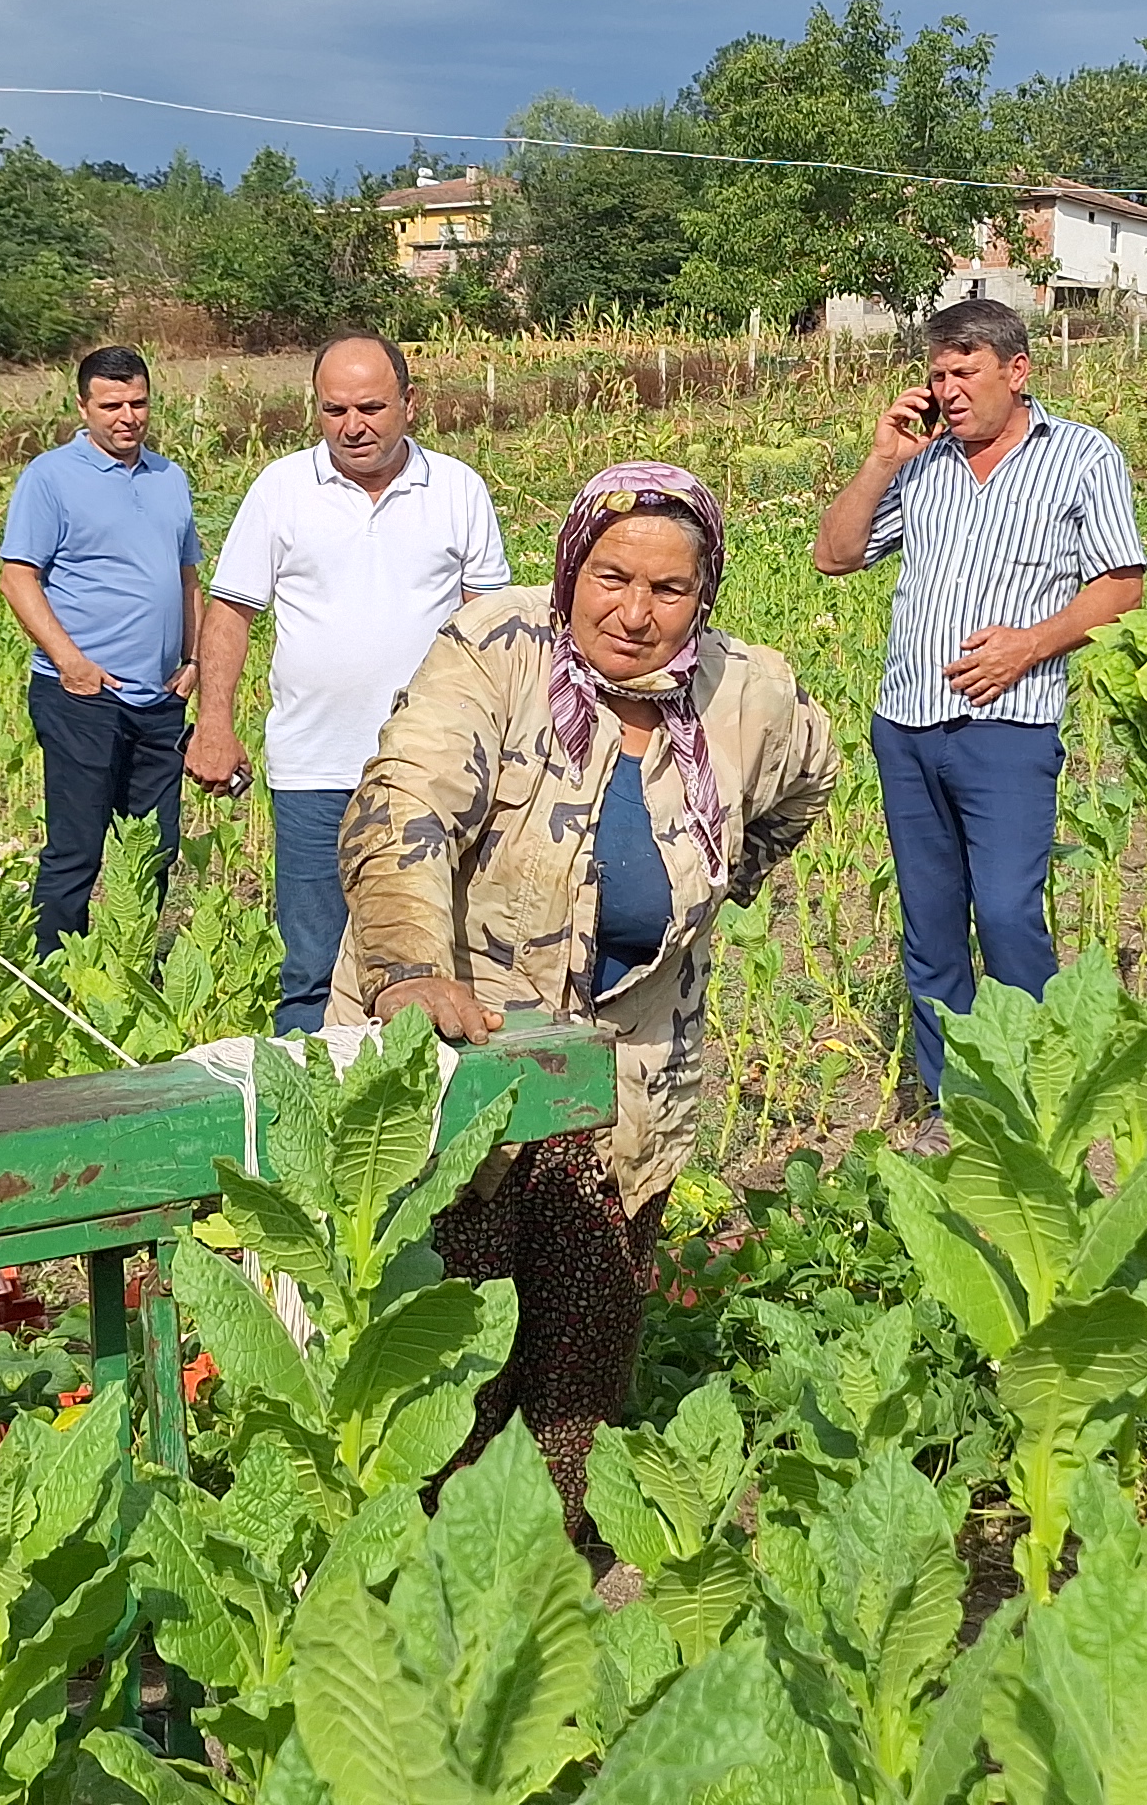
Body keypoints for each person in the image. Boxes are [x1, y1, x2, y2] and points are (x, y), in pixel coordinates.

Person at [337, 464, 839, 1529]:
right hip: (464, 1052)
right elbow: (405, 800)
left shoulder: (748, 692)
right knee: (446, 1349)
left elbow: (811, 774)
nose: (636, 612)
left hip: (624, 1066)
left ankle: (548, 1586)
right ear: (571, 569)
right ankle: (415, 1578)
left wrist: (735, 869)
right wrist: (407, 967)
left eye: (670, 589)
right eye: (611, 577)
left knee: (582, 1357)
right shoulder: (495, 650)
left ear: (705, 595)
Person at [811, 296, 1143, 1099]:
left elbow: (1122, 587)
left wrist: (1029, 646)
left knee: (1004, 913)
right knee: (931, 930)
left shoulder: (1082, 458)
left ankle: (1040, 1090)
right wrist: (882, 459)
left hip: (1009, 729)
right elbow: (835, 555)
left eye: (966, 371)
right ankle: (952, 1099)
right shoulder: (921, 466)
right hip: (908, 724)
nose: (949, 390)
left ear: (1016, 371)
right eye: (937, 375)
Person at [186, 335, 509, 1032]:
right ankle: (307, 1123)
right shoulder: (281, 489)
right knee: (311, 965)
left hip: (428, 771)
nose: (353, 426)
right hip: (313, 769)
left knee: (433, 958)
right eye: (334, 410)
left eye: (371, 406)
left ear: (410, 404)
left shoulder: (457, 490)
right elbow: (231, 612)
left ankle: (414, 1120)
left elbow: (490, 629)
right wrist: (214, 725)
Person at [0, 346, 204, 955]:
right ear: (83, 407)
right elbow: (18, 577)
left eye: (138, 403)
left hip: (160, 699)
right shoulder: (50, 478)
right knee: (77, 850)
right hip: (81, 698)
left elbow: (186, 575)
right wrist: (72, 662)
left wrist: (192, 662)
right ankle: (51, 979)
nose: (127, 416)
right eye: (111, 405)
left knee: (155, 850)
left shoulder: (170, 479)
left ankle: (129, 967)